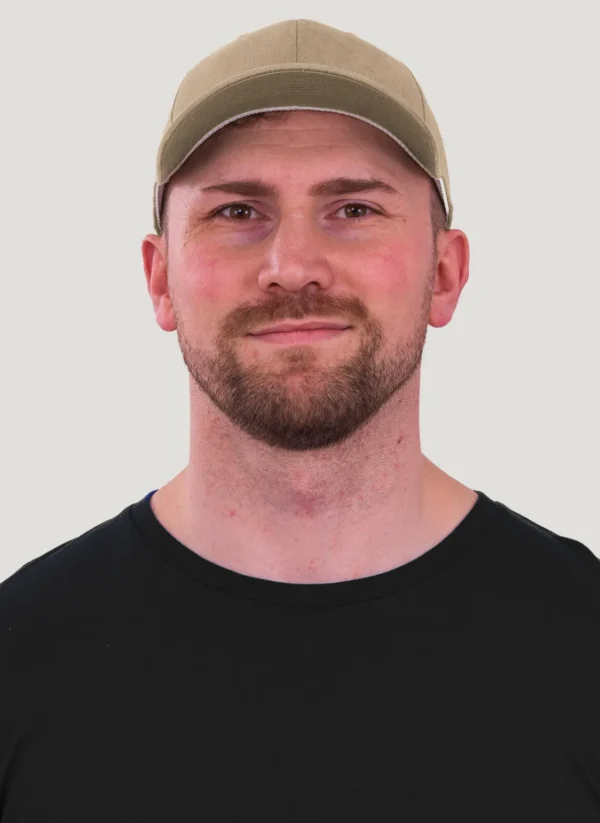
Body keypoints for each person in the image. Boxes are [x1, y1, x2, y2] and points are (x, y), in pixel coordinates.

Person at [1, 19, 599, 822]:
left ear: (445, 272)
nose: (292, 268)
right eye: (237, 210)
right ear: (160, 278)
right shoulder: (21, 655)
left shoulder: (582, 642)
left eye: (352, 207)